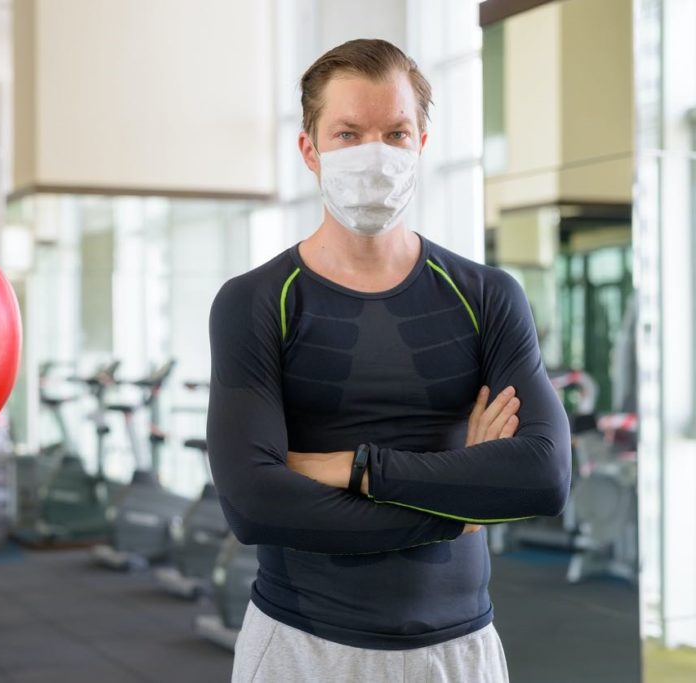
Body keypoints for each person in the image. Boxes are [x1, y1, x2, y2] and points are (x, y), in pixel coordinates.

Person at [207, 39, 571, 682]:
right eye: (348, 133)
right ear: (309, 149)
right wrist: (461, 503)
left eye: (395, 132)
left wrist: (353, 468)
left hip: (460, 652)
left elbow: (541, 477)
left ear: (422, 143)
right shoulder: (256, 301)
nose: (373, 155)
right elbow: (254, 504)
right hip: (305, 647)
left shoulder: (487, 296)